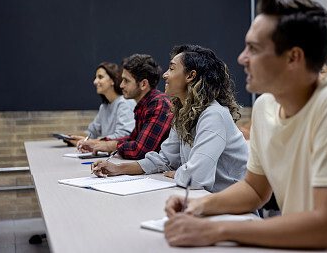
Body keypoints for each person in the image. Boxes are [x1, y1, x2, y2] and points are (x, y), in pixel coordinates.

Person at [163, 0, 327, 252]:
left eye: (254, 49)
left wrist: (214, 229)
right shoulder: (266, 105)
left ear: (293, 57)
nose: (241, 58)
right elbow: (256, 191)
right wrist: (198, 205)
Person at [91, 45, 249, 192]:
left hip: (232, 210)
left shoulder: (214, 114)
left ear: (191, 76)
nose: (165, 75)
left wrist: (182, 172)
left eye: (171, 68)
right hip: (204, 200)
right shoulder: (183, 113)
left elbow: (194, 179)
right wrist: (118, 169)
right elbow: (164, 160)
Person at [78, 54, 172, 160]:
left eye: (126, 81)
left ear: (143, 84)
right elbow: (133, 139)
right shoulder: (143, 105)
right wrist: (100, 143)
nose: (121, 85)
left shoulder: (159, 104)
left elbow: (139, 151)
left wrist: (109, 146)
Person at [64, 62, 136, 146]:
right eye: (95, 78)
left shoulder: (125, 103)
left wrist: (92, 142)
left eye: (100, 77)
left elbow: (123, 136)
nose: (95, 81)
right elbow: (92, 132)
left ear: (113, 81)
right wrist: (76, 137)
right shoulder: (104, 107)